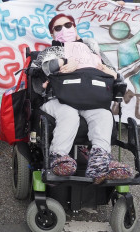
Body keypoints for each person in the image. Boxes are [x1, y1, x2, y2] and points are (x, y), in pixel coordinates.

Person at [35, 14, 132, 182]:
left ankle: (99, 162)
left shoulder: (93, 50)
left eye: (68, 25)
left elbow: (116, 75)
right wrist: (62, 62)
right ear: (52, 34)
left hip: (90, 98)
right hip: (58, 100)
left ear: (75, 27)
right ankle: (58, 158)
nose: (64, 30)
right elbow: (41, 69)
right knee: (69, 114)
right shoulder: (51, 51)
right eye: (58, 28)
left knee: (103, 114)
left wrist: (112, 73)